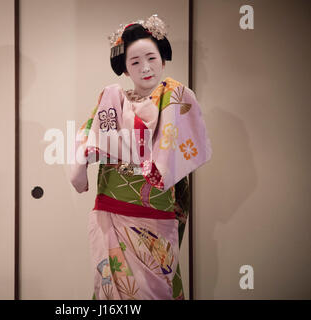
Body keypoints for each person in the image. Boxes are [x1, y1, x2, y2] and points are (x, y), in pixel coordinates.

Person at [70, 15, 212, 300]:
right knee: (114, 293)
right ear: (124, 69)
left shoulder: (175, 95)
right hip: (112, 208)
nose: (145, 68)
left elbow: (176, 152)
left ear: (163, 59)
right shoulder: (110, 99)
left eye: (151, 58)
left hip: (154, 213)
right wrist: (81, 167)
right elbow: (85, 143)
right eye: (135, 62)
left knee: (155, 289)